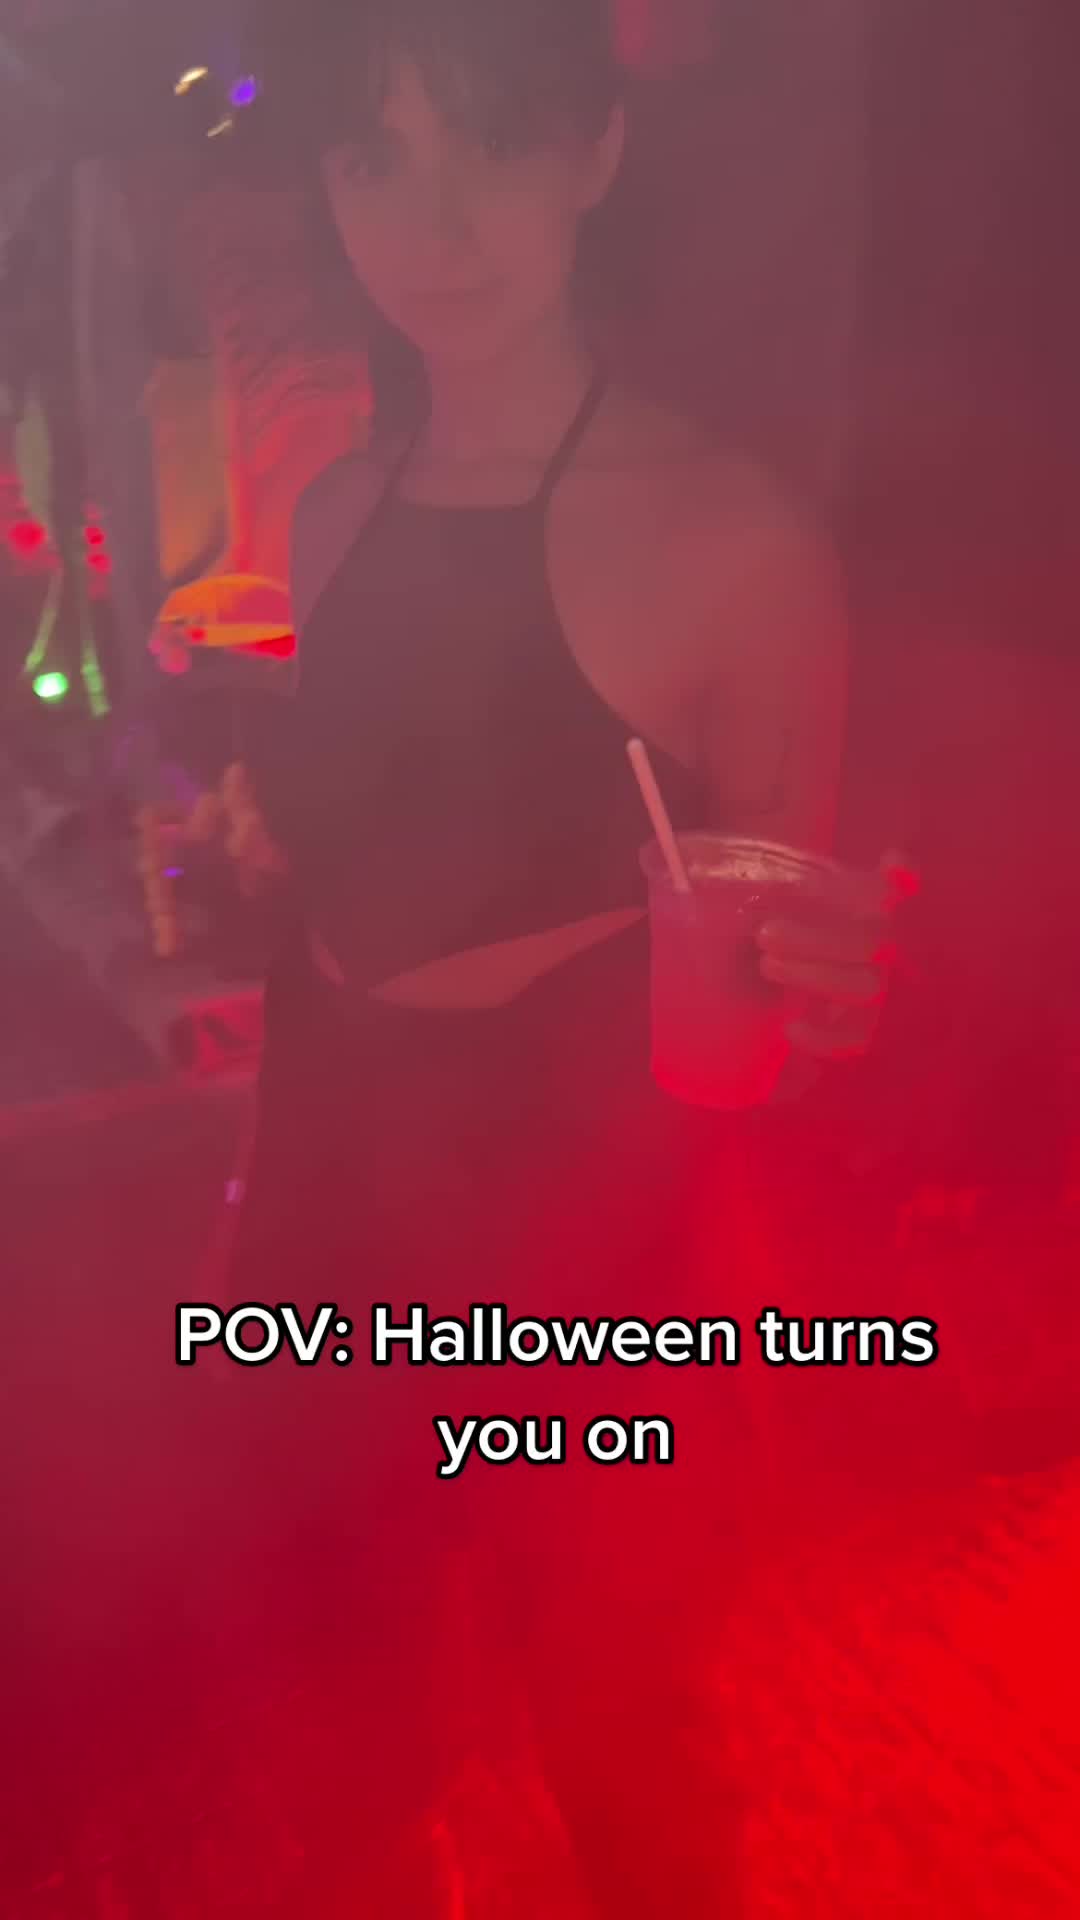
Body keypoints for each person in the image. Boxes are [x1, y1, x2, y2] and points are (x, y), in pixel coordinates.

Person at [226, 0, 895, 1908]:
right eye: (376, 158)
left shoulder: (737, 544)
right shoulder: (330, 506)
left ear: (599, 149)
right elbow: (356, 891)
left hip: (578, 1238)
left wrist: (830, 1004)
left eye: (495, 145)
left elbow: (772, 1004)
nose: (431, 226)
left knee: (623, 1735)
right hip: (335, 1221)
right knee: (345, 1728)